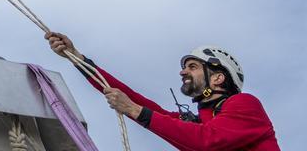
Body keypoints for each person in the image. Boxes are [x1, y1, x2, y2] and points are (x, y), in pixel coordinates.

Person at [45, 32, 279, 150]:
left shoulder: (245, 104)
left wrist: (135, 110)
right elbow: (143, 105)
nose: (182, 72)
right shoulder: (201, 122)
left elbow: (207, 141)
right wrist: (78, 58)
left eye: (193, 67)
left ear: (218, 77)